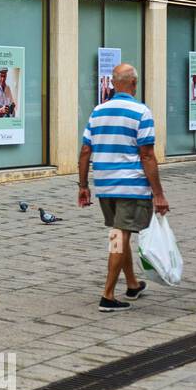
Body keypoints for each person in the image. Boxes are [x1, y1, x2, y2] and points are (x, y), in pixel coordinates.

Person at [77, 63, 169, 312]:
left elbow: (86, 150)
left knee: (121, 231)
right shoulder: (141, 112)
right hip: (131, 186)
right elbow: (147, 155)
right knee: (120, 235)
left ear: (114, 84)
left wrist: (83, 186)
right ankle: (107, 295)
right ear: (134, 83)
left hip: (105, 186)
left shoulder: (98, 111)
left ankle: (132, 284)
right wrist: (159, 193)